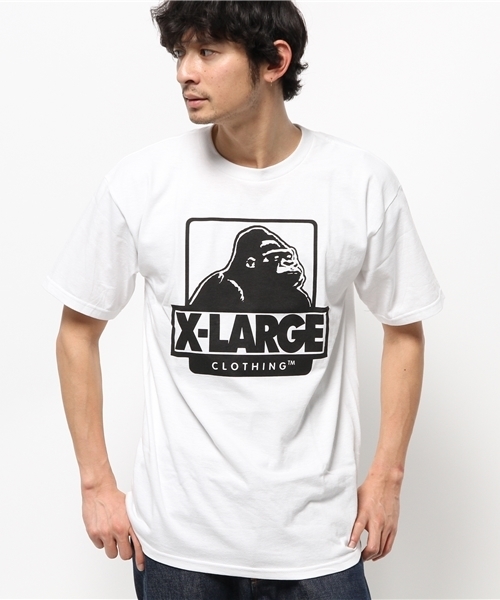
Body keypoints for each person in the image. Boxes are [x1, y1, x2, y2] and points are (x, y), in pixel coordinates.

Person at [45, 1, 444, 598]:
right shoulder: (142, 182)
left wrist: (388, 476)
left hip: (319, 540)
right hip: (179, 544)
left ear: (274, 61)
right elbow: (78, 331)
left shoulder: (360, 183)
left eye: (207, 52)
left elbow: (404, 328)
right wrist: (95, 483)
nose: (185, 71)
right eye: (181, 53)